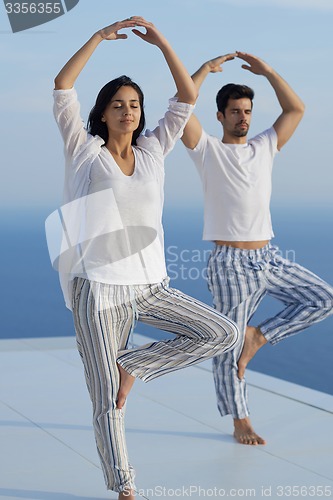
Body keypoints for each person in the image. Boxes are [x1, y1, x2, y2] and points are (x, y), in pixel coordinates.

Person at [49, 18, 240, 499]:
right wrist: (97, 38)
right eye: (118, 105)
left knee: (221, 332)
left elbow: (185, 98)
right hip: (100, 290)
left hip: (150, 285)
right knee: (107, 400)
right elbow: (62, 85)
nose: (128, 112)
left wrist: (162, 45)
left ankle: (136, 366)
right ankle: (124, 487)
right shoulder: (84, 152)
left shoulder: (154, 150)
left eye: (134, 105)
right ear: (103, 113)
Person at [181, 52, 333, 446]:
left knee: (323, 299)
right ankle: (239, 419)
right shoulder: (207, 150)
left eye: (246, 110)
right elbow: (180, 108)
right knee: (226, 341)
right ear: (220, 116)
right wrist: (201, 72)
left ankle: (259, 336)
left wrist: (267, 73)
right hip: (231, 262)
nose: (242, 118)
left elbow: (295, 108)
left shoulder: (265, 145)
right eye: (234, 111)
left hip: (269, 256)